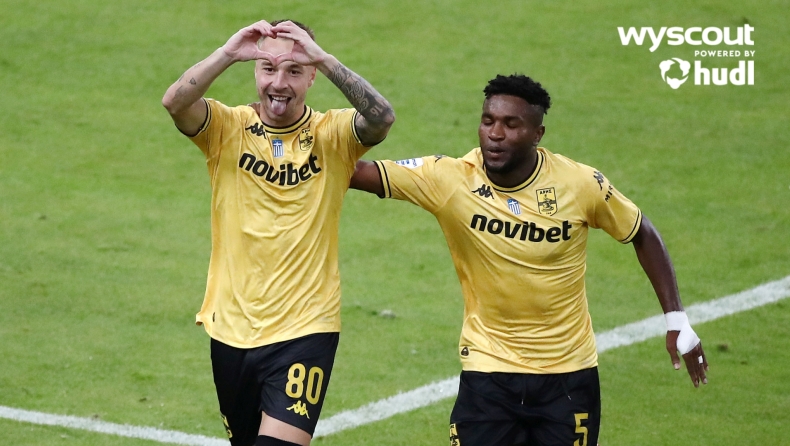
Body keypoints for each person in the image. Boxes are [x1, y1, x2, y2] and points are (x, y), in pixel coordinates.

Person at [349, 74, 706, 446]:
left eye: (511, 124)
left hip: (569, 376)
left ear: (538, 134)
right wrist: (310, 128)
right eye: (488, 121)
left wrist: (676, 319)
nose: (495, 134)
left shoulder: (579, 184)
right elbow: (354, 173)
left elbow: (641, 232)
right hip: (488, 371)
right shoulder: (451, 179)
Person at [161, 19, 394, 446]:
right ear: (255, 71)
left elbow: (381, 117)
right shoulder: (226, 128)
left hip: (306, 329)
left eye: (293, 70)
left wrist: (324, 58)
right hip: (231, 330)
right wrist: (227, 53)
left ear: (311, 77)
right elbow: (176, 102)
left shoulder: (333, 134)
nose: (278, 83)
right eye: (268, 69)